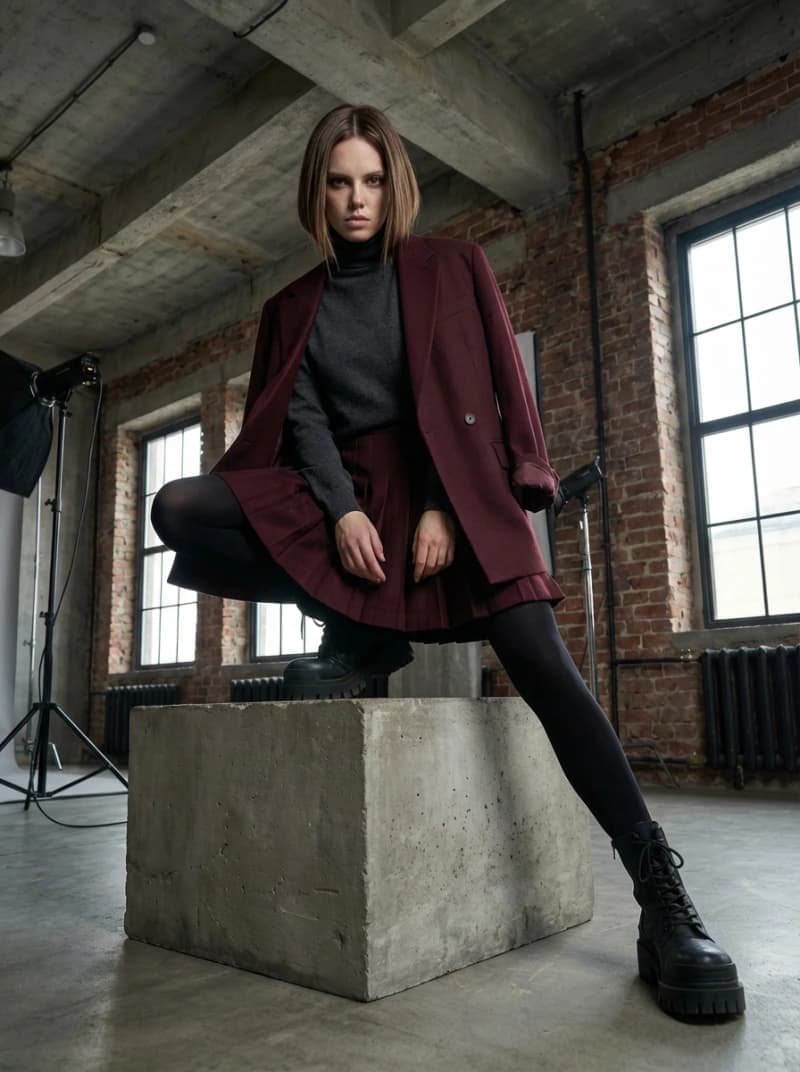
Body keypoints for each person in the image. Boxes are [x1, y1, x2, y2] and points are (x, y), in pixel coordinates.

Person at [150, 104, 745, 1020]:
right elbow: (299, 423)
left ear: (395, 186)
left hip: (455, 483)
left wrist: (446, 506)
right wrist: (343, 511)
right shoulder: (291, 308)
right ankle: (356, 625)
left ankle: (661, 896)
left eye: (372, 181)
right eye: (339, 183)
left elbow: (496, 384)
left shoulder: (453, 265)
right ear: (316, 193)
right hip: (349, 494)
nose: (357, 200)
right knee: (181, 508)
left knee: (544, 665)